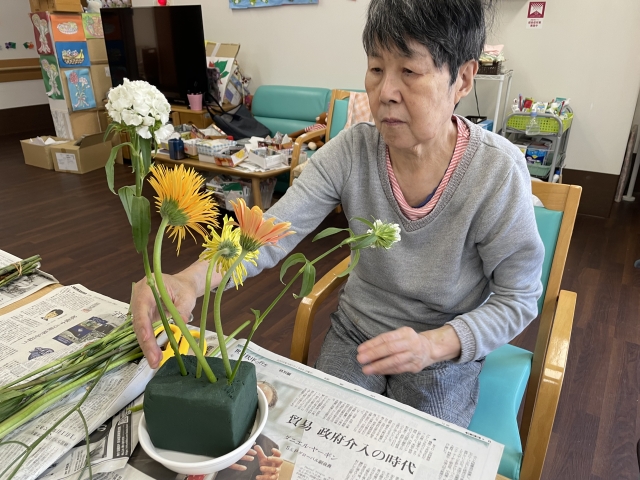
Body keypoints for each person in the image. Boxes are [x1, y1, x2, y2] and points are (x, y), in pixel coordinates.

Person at [131, 0, 544, 428]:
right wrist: (189, 279)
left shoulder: (496, 171)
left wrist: (435, 345)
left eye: (409, 71)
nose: (385, 92)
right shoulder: (352, 151)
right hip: (357, 334)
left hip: (441, 351)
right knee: (316, 435)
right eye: (376, 68)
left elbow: (518, 297)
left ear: (463, 78)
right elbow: (270, 234)